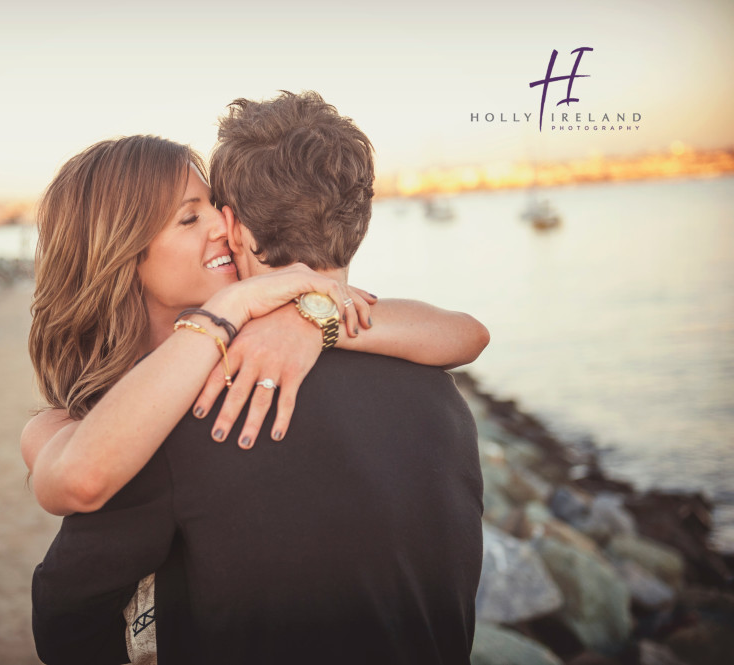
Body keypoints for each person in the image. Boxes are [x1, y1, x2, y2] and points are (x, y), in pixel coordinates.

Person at [29, 92, 485, 664]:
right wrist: (259, 309)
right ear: (121, 251)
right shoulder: (439, 396)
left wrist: (304, 320)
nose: (220, 228)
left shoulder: (213, 399)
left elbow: (63, 627)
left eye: (215, 208)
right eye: (191, 217)